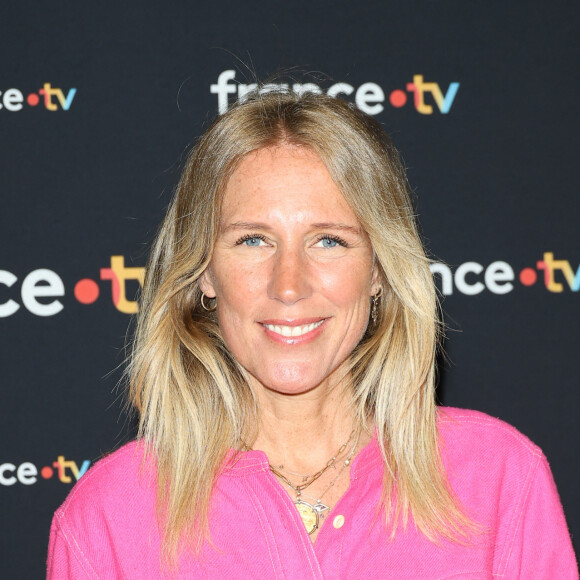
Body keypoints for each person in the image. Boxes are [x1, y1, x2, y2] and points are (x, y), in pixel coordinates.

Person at [47, 88, 577, 579]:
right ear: (204, 271)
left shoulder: (497, 480)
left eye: (328, 241)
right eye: (253, 240)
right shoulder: (109, 518)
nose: (289, 285)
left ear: (378, 269)